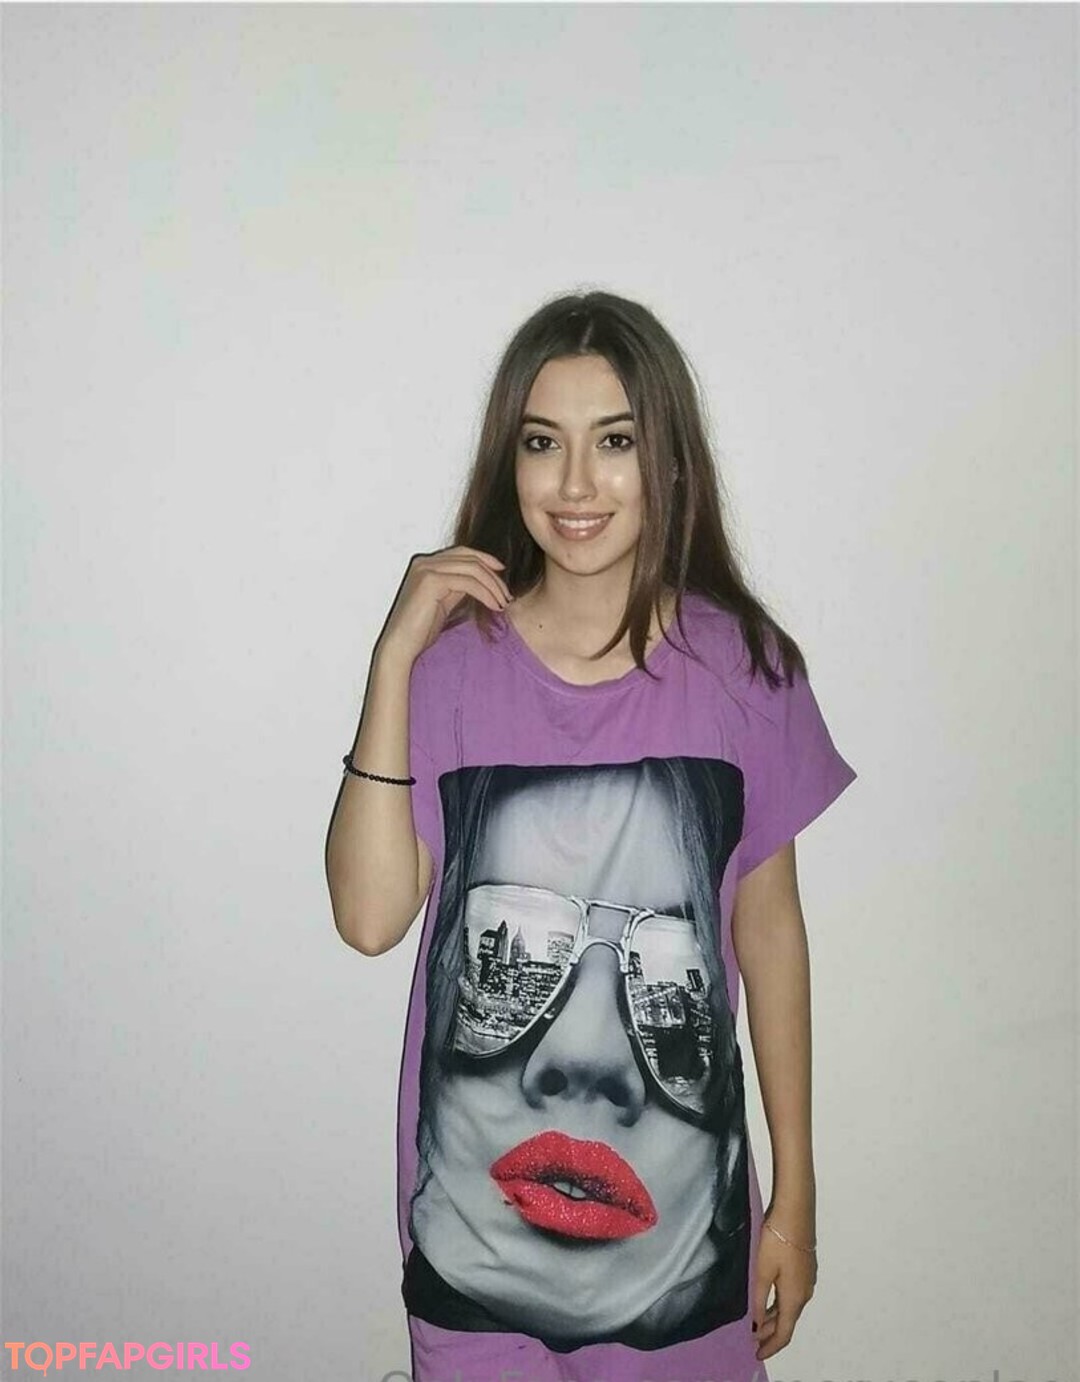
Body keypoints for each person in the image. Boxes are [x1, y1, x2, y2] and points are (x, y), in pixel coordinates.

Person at [324, 290, 858, 1382]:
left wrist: (796, 1198)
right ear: (508, 462)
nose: (575, 484)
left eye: (614, 441)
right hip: (473, 1247)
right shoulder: (448, 673)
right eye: (542, 443)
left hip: (690, 1246)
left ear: (668, 462)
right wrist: (393, 658)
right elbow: (371, 919)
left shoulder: (745, 672)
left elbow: (770, 935)